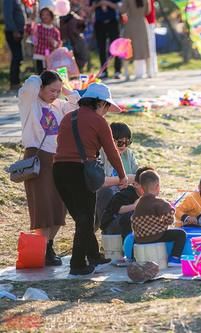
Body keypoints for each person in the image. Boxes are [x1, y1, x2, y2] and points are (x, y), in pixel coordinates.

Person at [53, 82, 127, 275]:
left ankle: (93, 255)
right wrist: (122, 176)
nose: (107, 111)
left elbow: (61, 144)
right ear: (100, 103)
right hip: (81, 171)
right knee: (84, 219)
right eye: (107, 107)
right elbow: (111, 152)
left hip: (59, 170)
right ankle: (77, 264)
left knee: (81, 218)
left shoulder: (68, 117)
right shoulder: (99, 121)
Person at [18, 71, 80, 266]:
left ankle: (48, 246)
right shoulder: (30, 103)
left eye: (57, 90)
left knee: (58, 206)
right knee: (43, 207)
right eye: (51, 90)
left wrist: (63, 87)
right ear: (41, 87)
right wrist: (46, 71)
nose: (55, 94)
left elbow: (76, 103)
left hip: (57, 158)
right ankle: (42, 250)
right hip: (37, 158)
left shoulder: (58, 106)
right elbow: (30, 84)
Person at [131, 170, 187, 266]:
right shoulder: (159, 202)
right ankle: (174, 258)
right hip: (156, 236)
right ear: (157, 186)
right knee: (181, 234)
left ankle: (133, 258)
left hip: (139, 238)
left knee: (134, 235)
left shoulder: (139, 203)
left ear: (142, 187)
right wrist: (171, 209)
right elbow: (169, 220)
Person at [95, 122, 138, 229]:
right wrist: (123, 180)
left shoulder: (129, 154)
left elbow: (137, 175)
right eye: (120, 142)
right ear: (110, 140)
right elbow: (99, 181)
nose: (124, 146)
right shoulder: (100, 153)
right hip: (102, 194)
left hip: (123, 194)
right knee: (107, 191)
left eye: (127, 142)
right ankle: (110, 226)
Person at [100, 166, 153, 238]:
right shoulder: (126, 193)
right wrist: (134, 206)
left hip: (125, 226)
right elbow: (117, 209)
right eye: (146, 186)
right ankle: (128, 243)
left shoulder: (147, 197)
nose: (149, 190)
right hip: (111, 226)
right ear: (136, 184)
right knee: (133, 215)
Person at [90, 0, 122, 79]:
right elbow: (90, 8)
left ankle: (117, 71)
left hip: (112, 22)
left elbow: (120, 7)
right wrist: (99, 4)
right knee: (101, 48)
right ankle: (104, 71)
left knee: (116, 47)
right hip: (99, 23)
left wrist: (108, 3)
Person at [25, 4, 62, 74]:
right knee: (40, 74)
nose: (45, 17)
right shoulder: (38, 28)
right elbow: (28, 30)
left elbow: (58, 44)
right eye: (43, 15)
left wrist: (53, 42)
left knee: (50, 75)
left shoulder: (55, 31)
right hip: (39, 56)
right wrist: (31, 18)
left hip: (51, 57)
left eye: (47, 15)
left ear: (51, 16)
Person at [121, 0, 151, 79]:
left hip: (130, 24)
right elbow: (148, 11)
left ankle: (126, 73)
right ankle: (149, 71)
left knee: (128, 48)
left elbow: (122, 10)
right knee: (144, 47)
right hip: (142, 23)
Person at [59, 0, 89, 72]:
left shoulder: (77, 12)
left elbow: (83, 24)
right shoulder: (60, 14)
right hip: (66, 40)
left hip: (77, 39)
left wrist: (75, 17)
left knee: (81, 58)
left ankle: (80, 71)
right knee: (67, 60)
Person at [3, 0, 25, 91]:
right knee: (17, 56)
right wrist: (14, 30)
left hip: (18, 32)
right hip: (13, 32)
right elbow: (7, 15)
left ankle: (16, 81)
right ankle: (14, 83)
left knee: (19, 57)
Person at [145, 0, 158, 77]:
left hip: (149, 21)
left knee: (151, 47)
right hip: (138, 21)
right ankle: (147, 70)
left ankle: (152, 70)